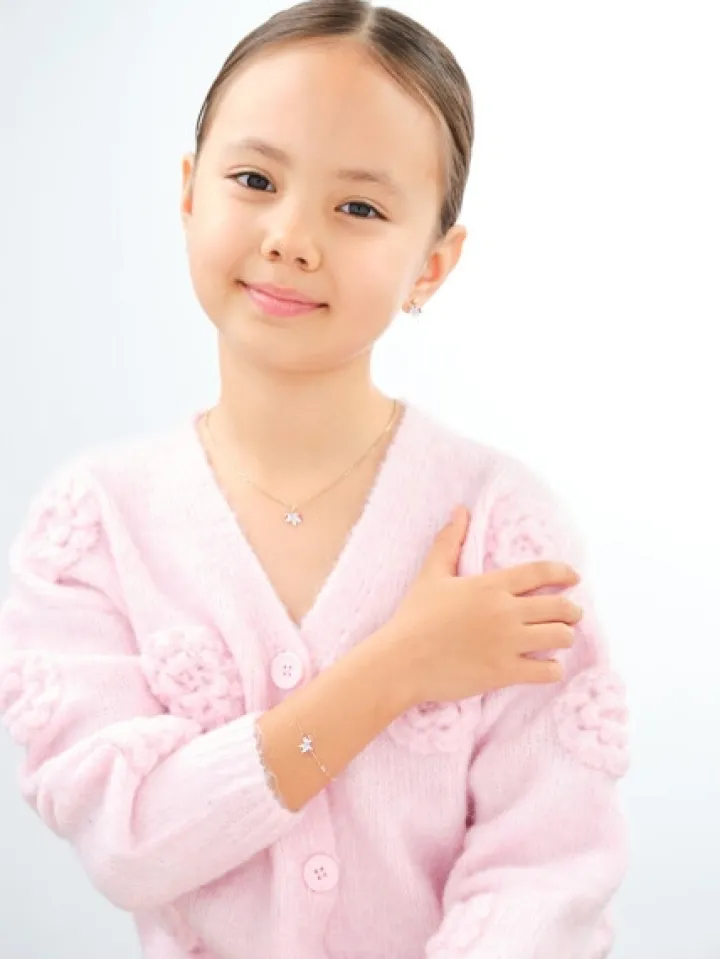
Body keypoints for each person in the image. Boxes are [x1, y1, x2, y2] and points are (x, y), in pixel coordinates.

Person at [0, 1, 630, 957]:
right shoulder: (93, 527)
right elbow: (130, 839)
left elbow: (547, 870)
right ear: (189, 193)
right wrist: (397, 667)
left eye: (360, 207)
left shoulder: (504, 529)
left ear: (433, 265)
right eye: (255, 179)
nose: (292, 237)